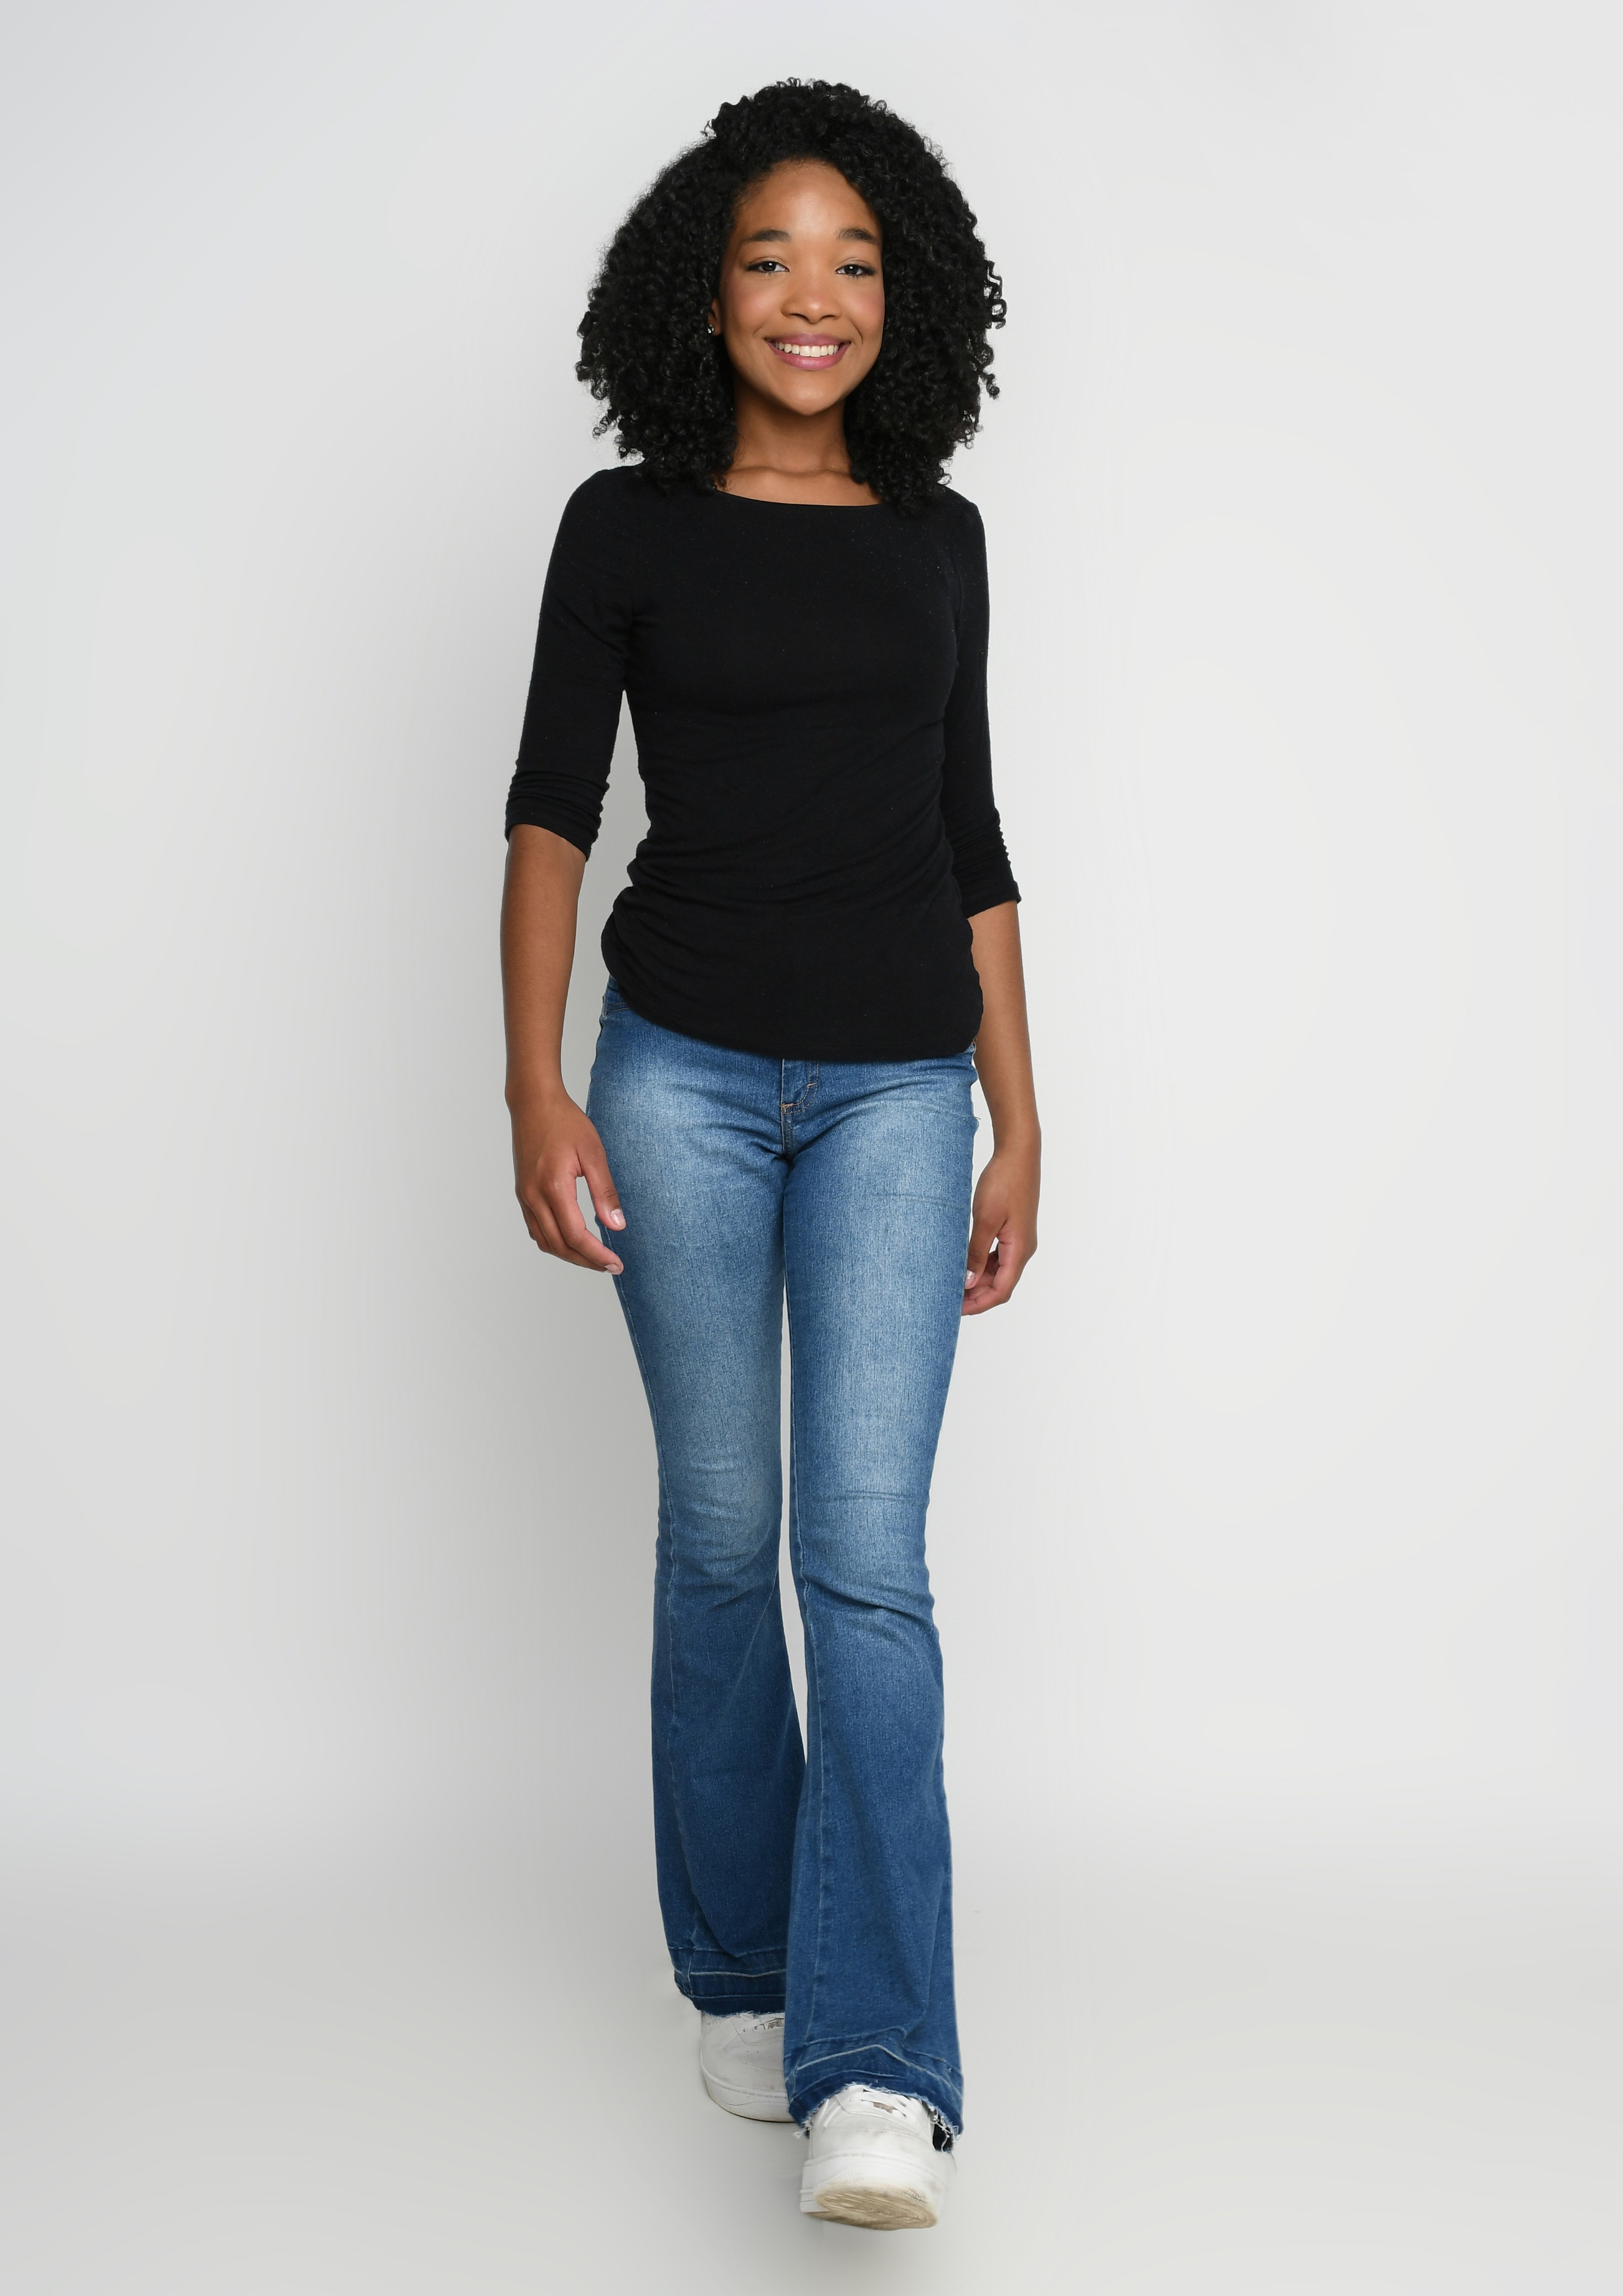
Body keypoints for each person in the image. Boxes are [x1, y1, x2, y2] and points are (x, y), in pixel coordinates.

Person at [499, 79, 1039, 2232]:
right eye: (766, 257)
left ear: (905, 296)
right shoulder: (621, 527)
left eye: (851, 260)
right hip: (680, 1080)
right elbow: (550, 815)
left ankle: (878, 2065)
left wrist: (1022, 1112)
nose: (811, 297)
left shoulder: (937, 536)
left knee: (865, 1563)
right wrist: (533, 1087)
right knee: (721, 1539)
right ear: (697, 293)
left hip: (903, 1087)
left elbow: (969, 830)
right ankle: (737, 1965)